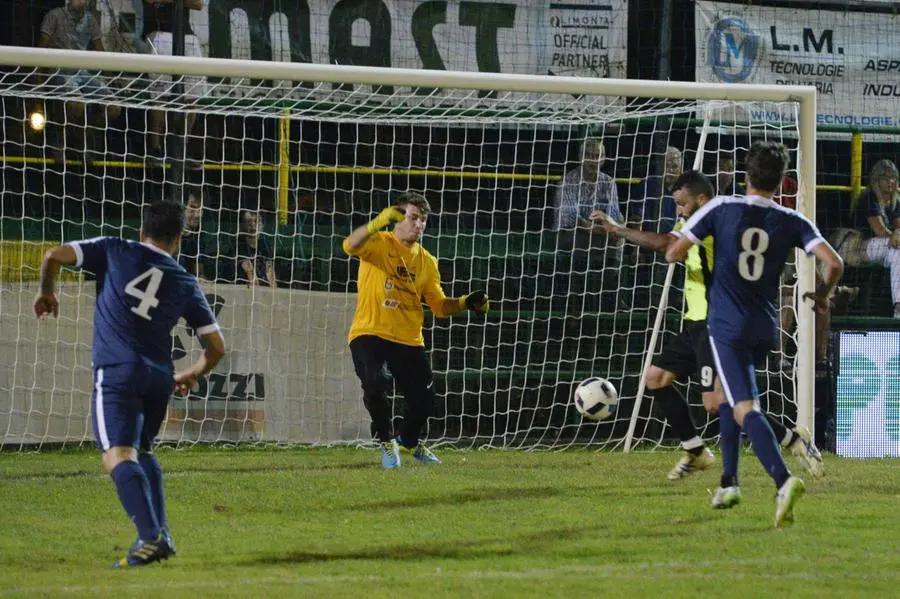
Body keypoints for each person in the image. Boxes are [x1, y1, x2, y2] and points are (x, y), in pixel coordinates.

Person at [597, 171, 824, 481]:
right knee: (656, 378)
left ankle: (795, 440)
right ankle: (695, 451)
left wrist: (618, 230)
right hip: (695, 321)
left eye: (682, 204)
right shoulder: (699, 219)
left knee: (719, 403)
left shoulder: (715, 221)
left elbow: (666, 244)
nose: (678, 211)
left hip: (713, 323)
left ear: (701, 200)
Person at [34, 200, 226, 566]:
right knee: (144, 451)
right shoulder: (185, 280)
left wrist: (47, 291)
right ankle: (161, 533)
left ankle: (150, 537)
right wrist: (192, 374)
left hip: (117, 370)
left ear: (142, 232)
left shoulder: (114, 248)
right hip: (158, 375)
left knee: (116, 456)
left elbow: (53, 255)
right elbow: (216, 347)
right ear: (179, 239)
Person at [666, 141, 844, 528]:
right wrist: (823, 297)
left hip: (726, 326)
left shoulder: (720, 207)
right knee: (732, 399)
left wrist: (689, 242)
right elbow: (834, 262)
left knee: (746, 408)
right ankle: (729, 482)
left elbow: (674, 252)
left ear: (746, 176)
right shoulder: (792, 218)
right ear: (780, 181)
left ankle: (783, 480)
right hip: (766, 327)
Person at [343, 192, 489, 469]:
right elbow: (349, 245)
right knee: (376, 383)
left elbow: (438, 307)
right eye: (412, 218)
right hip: (369, 331)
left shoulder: (427, 262)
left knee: (424, 400)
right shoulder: (378, 243)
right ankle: (386, 441)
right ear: (397, 218)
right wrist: (378, 222)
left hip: (409, 338)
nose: (418, 225)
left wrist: (464, 303)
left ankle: (408, 442)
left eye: (423, 220)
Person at [37, 0, 122, 161]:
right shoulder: (54, 15)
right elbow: (41, 48)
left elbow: (100, 52)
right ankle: (60, 142)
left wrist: (113, 78)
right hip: (59, 69)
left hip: (82, 72)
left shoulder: (90, 20)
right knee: (77, 104)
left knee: (114, 107)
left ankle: (82, 135)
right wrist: (39, 80)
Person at [553, 138, 625, 313]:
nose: (593, 160)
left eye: (597, 155)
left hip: (600, 234)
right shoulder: (568, 180)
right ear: (581, 158)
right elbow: (572, 218)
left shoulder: (608, 183)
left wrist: (614, 227)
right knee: (580, 241)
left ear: (604, 159)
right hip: (570, 234)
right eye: (589, 155)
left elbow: (615, 216)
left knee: (619, 241)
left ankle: (612, 297)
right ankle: (574, 301)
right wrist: (601, 228)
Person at [833, 159, 900, 318]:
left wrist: (897, 234)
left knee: (897, 253)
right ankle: (898, 308)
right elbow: (879, 230)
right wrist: (895, 235)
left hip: (884, 247)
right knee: (896, 249)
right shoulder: (869, 197)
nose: (890, 182)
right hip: (858, 246)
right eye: (885, 178)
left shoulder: (895, 200)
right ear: (876, 180)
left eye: (893, 178)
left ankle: (898, 308)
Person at [140, 0, 205, 162]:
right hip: (160, 34)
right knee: (160, 96)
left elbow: (198, 3)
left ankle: (181, 149)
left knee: (192, 98)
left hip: (187, 36)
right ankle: (155, 148)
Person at [237, 210, 277, 288]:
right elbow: (251, 275)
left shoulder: (264, 246)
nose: (252, 225)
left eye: (256, 221)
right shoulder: (240, 245)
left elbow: (271, 274)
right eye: (249, 222)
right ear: (243, 225)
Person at [178, 191, 205, 278]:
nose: (198, 215)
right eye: (193, 208)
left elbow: (199, 274)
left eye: (201, 209)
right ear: (183, 208)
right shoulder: (169, 231)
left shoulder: (198, 237)